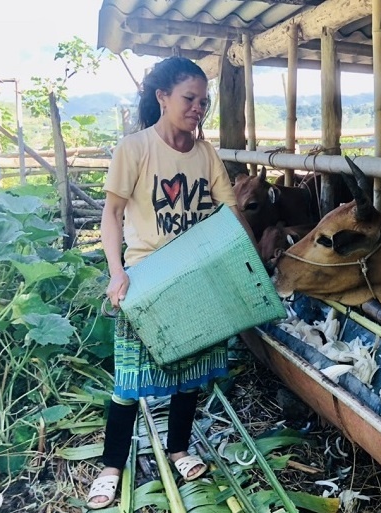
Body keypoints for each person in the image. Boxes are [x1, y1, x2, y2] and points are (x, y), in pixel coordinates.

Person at [87, 56, 256, 510]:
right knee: (127, 383)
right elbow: (112, 215)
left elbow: (230, 212)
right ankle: (110, 467)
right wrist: (117, 271)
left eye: (204, 101)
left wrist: (246, 261)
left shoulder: (206, 155)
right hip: (147, 279)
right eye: (189, 98)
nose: (198, 107)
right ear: (162, 97)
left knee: (190, 377)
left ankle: (179, 449)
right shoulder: (135, 148)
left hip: (198, 278)